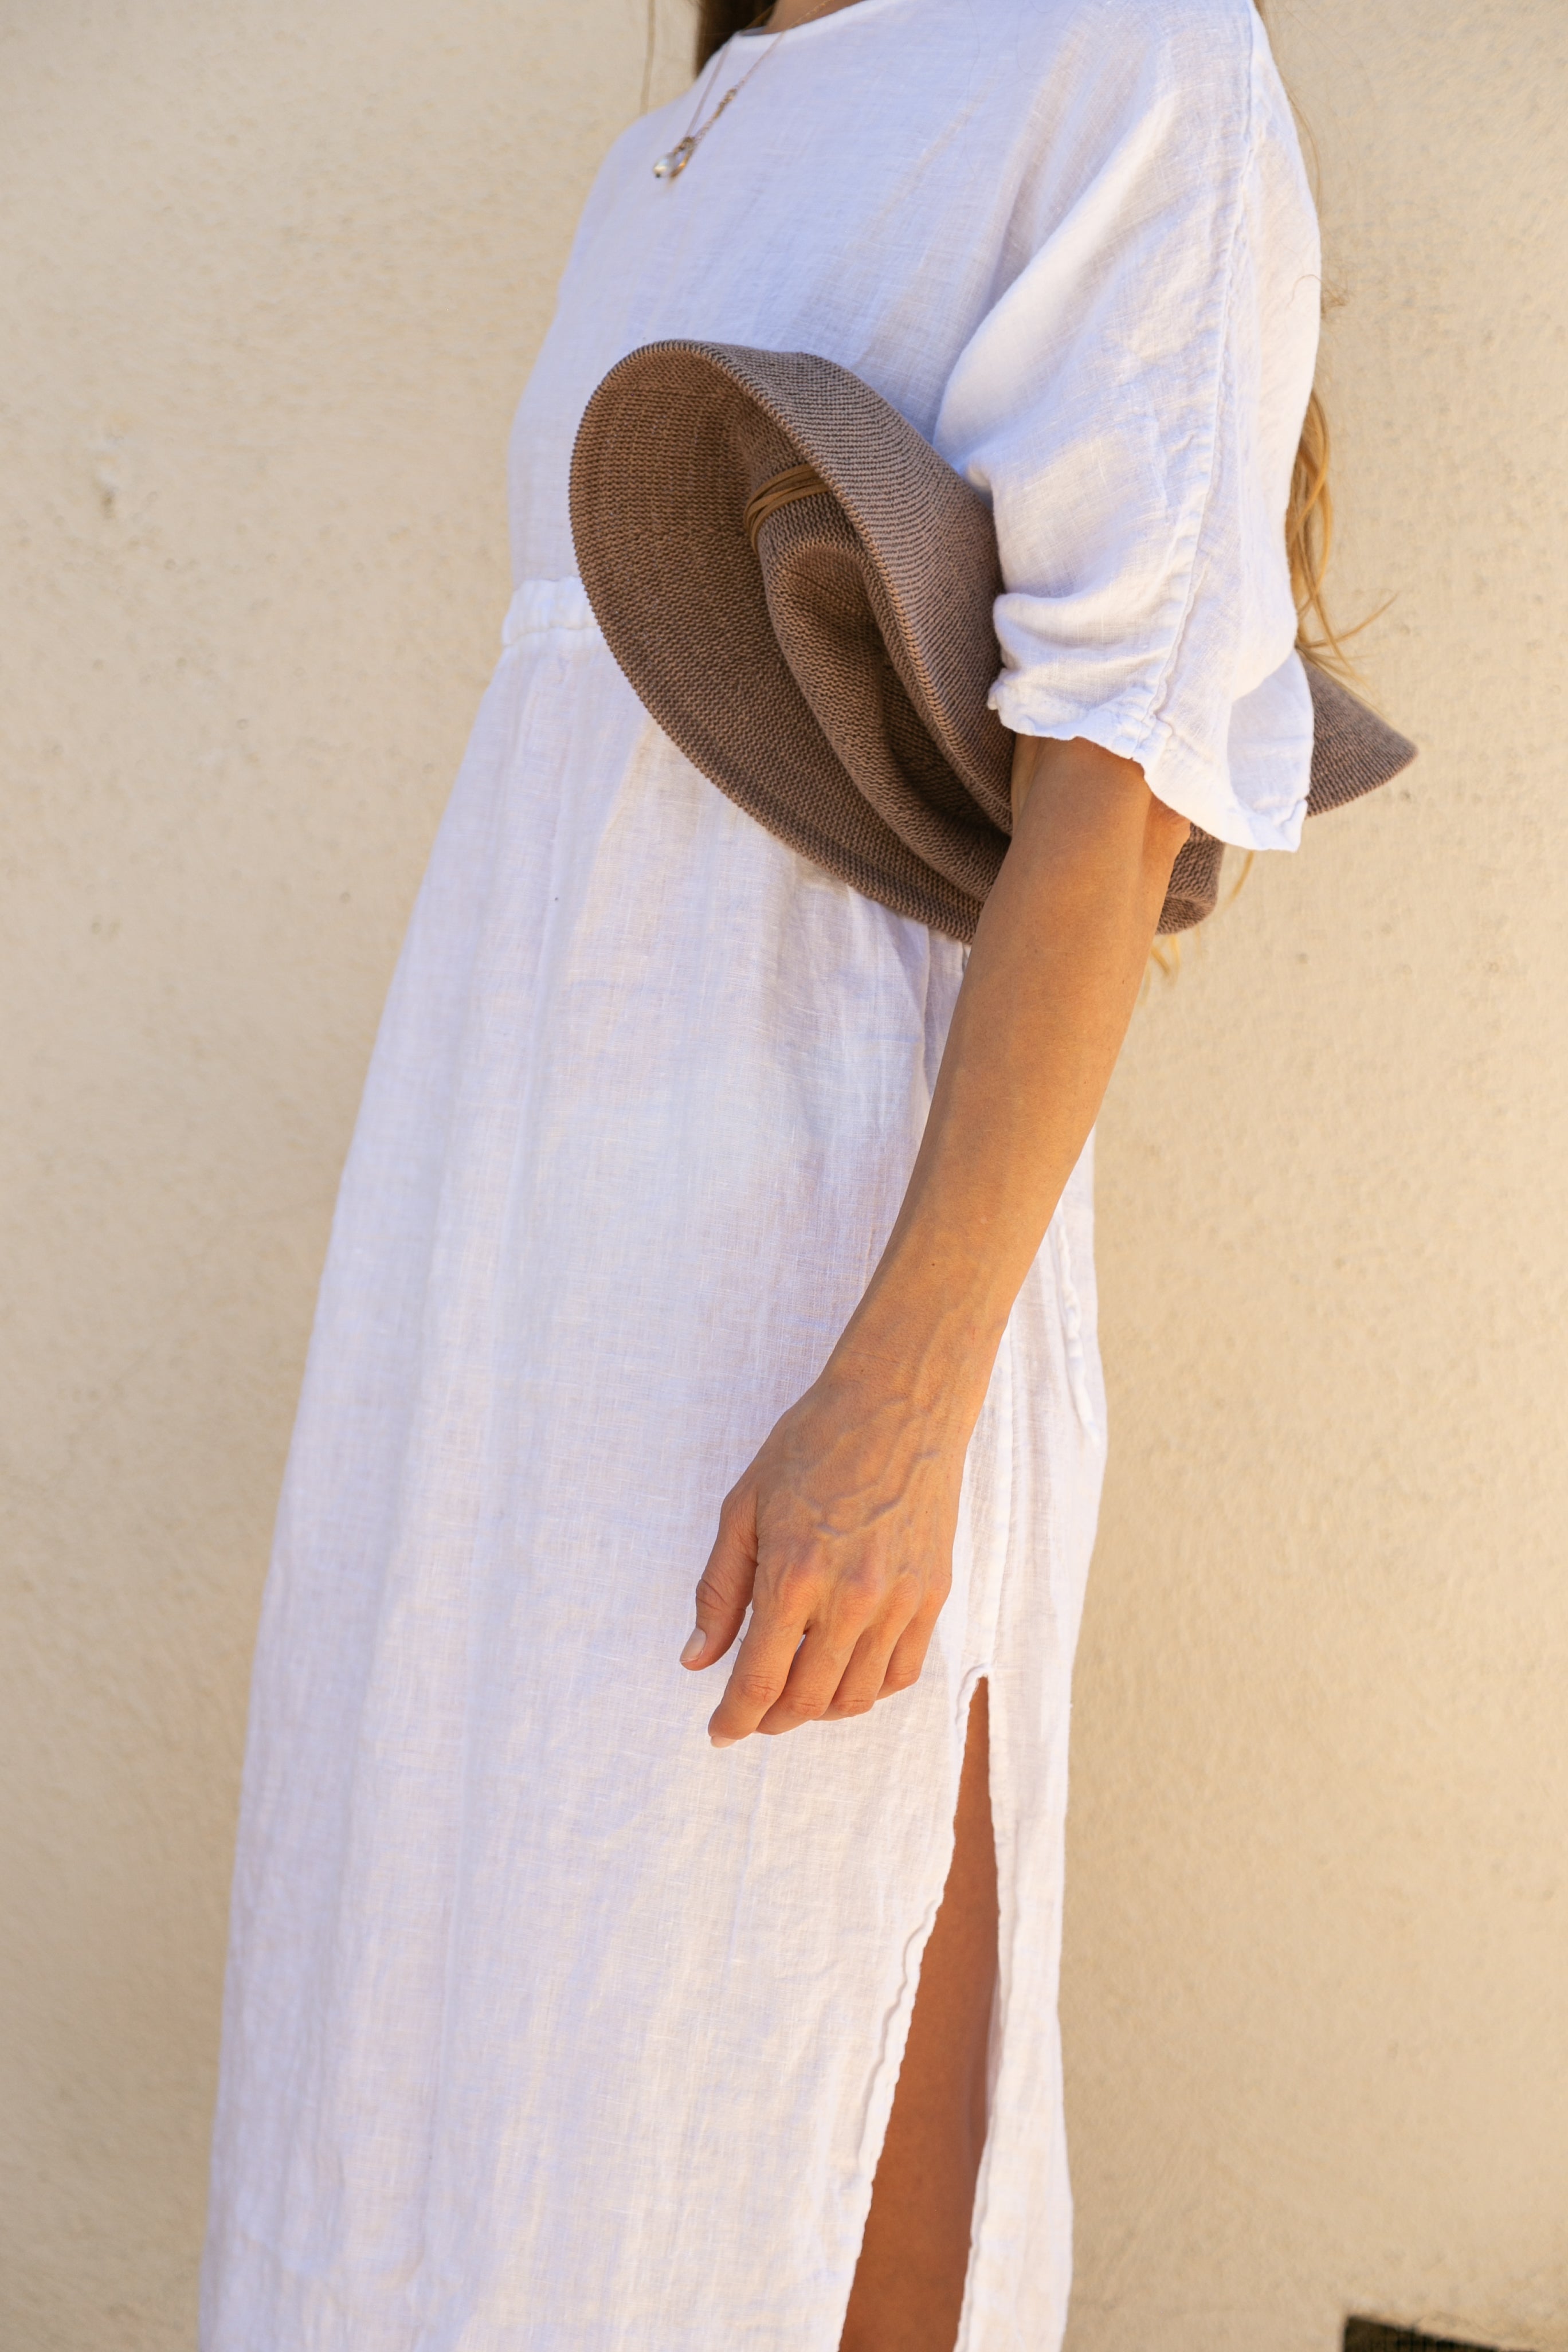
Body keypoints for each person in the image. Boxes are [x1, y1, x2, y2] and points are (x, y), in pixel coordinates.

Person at [201, 1, 1326, 2346]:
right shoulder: (686, 132)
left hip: (803, 1274)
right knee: (468, 2074)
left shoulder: (1119, 53)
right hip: (503, 1269)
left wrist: (901, 1408)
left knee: (778, 2068)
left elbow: (1109, 796)